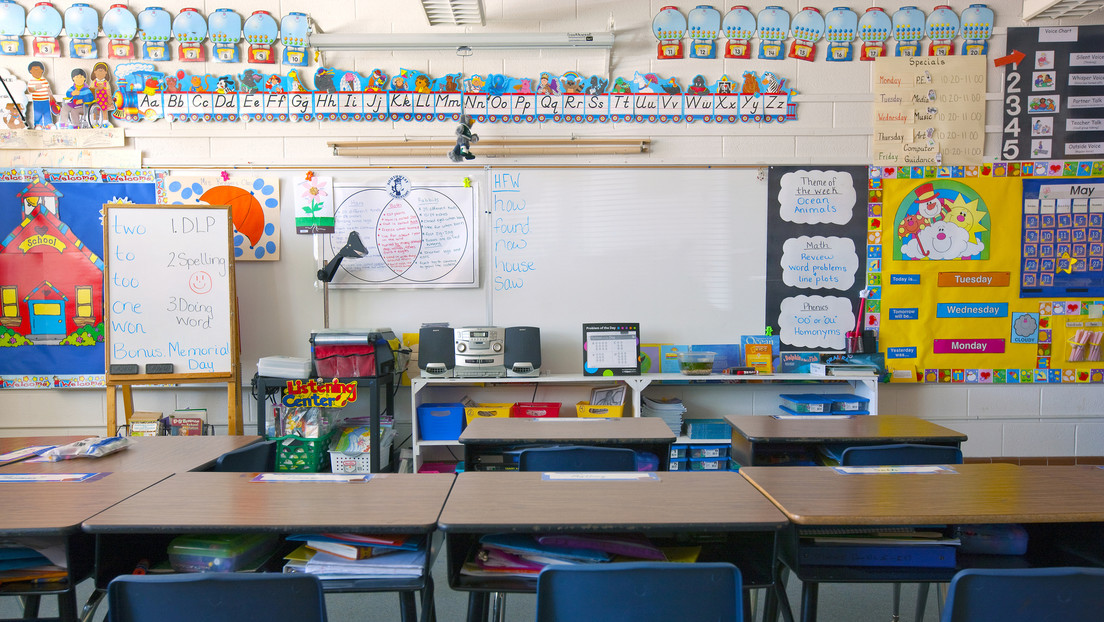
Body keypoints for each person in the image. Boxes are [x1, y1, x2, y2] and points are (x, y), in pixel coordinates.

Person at [25, 61, 54, 129]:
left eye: (38, 70)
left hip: (46, 100)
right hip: (37, 100)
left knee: (47, 112)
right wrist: (35, 87)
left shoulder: (44, 80)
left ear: (42, 71)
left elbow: (48, 89)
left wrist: (51, 96)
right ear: (30, 71)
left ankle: (48, 123)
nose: (36, 72)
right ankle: (38, 124)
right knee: (37, 113)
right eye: (34, 70)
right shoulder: (31, 81)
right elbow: (30, 90)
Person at [89, 62, 113, 128]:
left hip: (104, 100)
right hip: (96, 99)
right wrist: (97, 88)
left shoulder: (106, 83)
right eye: (98, 71)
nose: (100, 73)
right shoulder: (94, 82)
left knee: (104, 110)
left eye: (102, 71)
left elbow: (108, 92)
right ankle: (95, 122)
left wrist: (109, 99)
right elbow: (91, 91)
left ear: (106, 73)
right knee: (95, 111)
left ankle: (105, 122)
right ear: (94, 72)